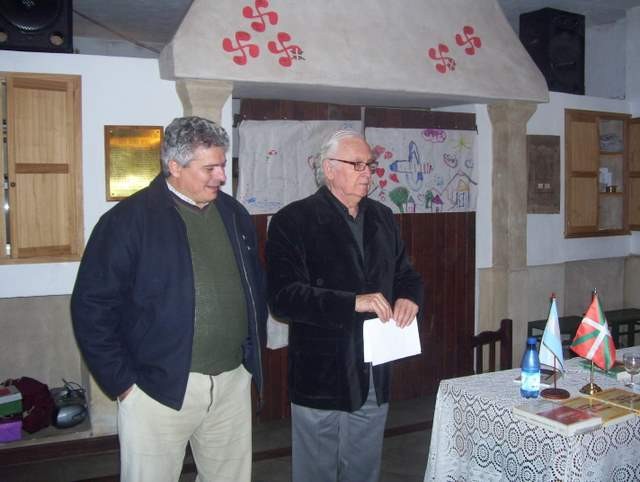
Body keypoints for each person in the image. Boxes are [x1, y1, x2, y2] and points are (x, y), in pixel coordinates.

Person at [71, 116, 267, 482]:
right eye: (209, 168)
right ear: (174, 166)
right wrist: (124, 384)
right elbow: (91, 308)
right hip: (156, 390)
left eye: (222, 165)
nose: (221, 176)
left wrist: (248, 361)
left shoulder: (234, 215)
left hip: (231, 384)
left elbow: (254, 285)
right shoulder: (128, 221)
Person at [266, 129, 424, 482]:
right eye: (357, 164)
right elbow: (283, 298)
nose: (368, 171)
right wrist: (353, 303)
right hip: (322, 373)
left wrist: (409, 298)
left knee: (364, 471)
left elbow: (407, 274)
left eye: (369, 164)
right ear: (329, 169)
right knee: (316, 472)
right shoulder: (293, 220)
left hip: (373, 371)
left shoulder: (383, 217)